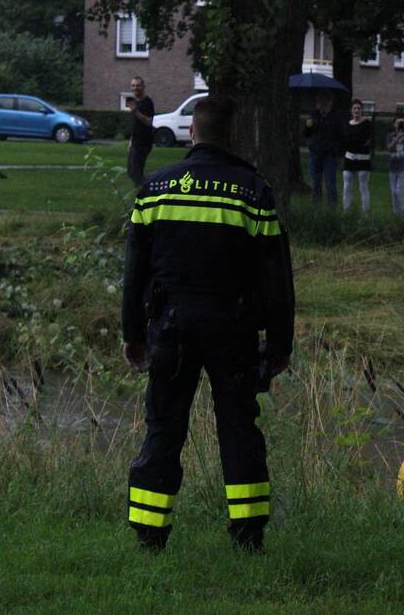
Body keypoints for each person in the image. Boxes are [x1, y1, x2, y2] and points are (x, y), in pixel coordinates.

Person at [122, 96, 295, 553]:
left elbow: (134, 274)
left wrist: (132, 335)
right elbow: (277, 278)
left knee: (164, 427)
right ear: (232, 135)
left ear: (193, 131)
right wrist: (280, 345)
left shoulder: (155, 189)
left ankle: (149, 535)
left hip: (171, 328)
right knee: (239, 428)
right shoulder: (252, 192)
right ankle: (248, 536)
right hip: (234, 329)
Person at [303, 90, 344, 205]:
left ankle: (332, 209)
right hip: (315, 154)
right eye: (318, 101)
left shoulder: (336, 117)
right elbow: (306, 134)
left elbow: (341, 136)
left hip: (329, 156)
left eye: (322, 101)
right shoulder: (314, 115)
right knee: (315, 183)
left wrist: (336, 151)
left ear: (329, 102)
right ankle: (316, 208)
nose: (319, 103)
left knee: (330, 183)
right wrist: (308, 126)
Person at [343, 99, 373, 213]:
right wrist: (354, 141)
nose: (356, 110)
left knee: (363, 186)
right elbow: (346, 140)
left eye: (359, 108)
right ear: (351, 110)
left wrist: (354, 141)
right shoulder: (348, 124)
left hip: (363, 159)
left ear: (362, 110)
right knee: (347, 186)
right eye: (354, 108)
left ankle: (365, 212)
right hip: (349, 158)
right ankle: (346, 211)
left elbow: (366, 140)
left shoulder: (367, 123)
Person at [126, 76, 155, 188]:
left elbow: (149, 122)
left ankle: (144, 188)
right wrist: (131, 141)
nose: (135, 88)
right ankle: (145, 186)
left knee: (136, 172)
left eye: (138, 85)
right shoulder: (136, 102)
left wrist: (136, 112)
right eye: (133, 85)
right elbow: (135, 126)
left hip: (143, 143)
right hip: (135, 141)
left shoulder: (147, 102)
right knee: (131, 171)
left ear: (143, 86)